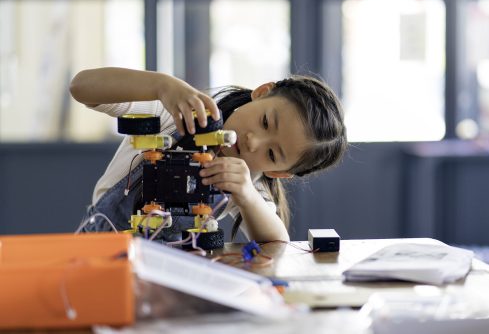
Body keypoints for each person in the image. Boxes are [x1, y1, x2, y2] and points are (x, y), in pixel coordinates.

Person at [69, 67, 347, 242]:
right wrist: (161, 85)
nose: (253, 142)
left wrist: (247, 195)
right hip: (100, 252)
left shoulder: (248, 178)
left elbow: (277, 240)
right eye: (265, 122)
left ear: (278, 173)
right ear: (262, 92)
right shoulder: (175, 114)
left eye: (272, 154)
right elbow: (81, 87)